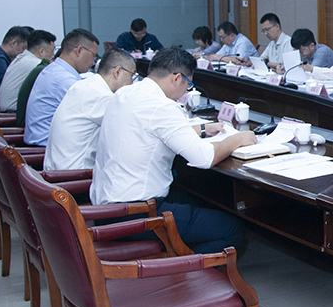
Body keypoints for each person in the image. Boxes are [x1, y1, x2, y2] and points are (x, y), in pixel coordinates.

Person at [90, 48, 255, 254]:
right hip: (136, 213)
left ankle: (180, 256)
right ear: (177, 78)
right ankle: (186, 270)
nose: (186, 91)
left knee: (200, 201)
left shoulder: (125, 93)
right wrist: (237, 139)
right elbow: (204, 158)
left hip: (105, 209)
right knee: (232, 229)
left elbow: (150, 130)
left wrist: (203, 129)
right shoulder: (162, 106)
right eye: (188, 84)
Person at [43, 49, 137, 171]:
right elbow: (131, 127)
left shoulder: (83, 85)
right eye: (132, 75)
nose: (131, 83)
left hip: (55, 170)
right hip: (74, 176)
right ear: (117, 72)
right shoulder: (101, 96)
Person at [24, 29, 100, 146]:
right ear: (79, 50)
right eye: (93, 56)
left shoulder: (53, 69)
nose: (93, 62)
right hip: (46, 149)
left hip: (43, 144)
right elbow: (91, 115)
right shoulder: (65, 80)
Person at [0, 29, 56, 112]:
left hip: (5, 112)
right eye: (52, 51)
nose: (53, 55)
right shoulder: (37, 64)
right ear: (41, 51)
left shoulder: (21, 58)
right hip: (13, 114)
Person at [15, 54, 53, 128]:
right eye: (52, 51)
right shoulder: (45, 70)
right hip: (26, 124)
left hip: (25, 120)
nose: (52, 54)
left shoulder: (39, 67)